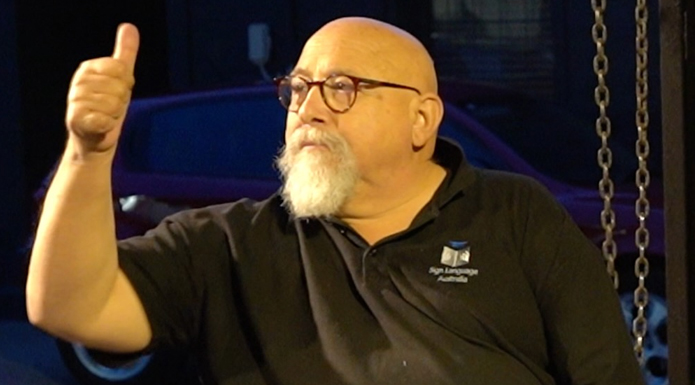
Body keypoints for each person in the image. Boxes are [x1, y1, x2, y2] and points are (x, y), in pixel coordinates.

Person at [26, 16, 644, 385]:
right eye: (296, 89)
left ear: (421, 120)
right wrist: (88, 153)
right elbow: (68, 307)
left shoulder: (516, 216)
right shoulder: (230, 246)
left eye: (342, 87)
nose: (309, 107)